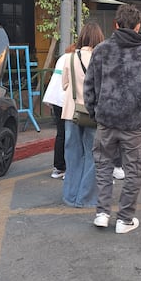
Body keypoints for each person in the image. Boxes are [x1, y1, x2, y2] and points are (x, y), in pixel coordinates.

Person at [84, 4, 141, 234]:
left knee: (103, 167)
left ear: (116, 25)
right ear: (138, 26)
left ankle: (102, 213)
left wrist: (94, 112)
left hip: (105, 121)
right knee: (135, 169)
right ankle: (125, 219)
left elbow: (89, 85)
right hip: (134, 123)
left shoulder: (100, 49)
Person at [60, 22, 105, 207]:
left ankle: (70, 196)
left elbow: (64, 85)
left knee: (72, 155)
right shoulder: (101, 59)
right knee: (93, 156)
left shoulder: (69, 58)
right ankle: (86, 198)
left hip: (71, 113)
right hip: (93, 113)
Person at [42, 43, 76, 179]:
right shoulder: (73, 58)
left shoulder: (63, 57)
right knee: (70, 135)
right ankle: (67, 167)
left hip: (56, 99)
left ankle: (58, 167)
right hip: (65, 99)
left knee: (61, 134)